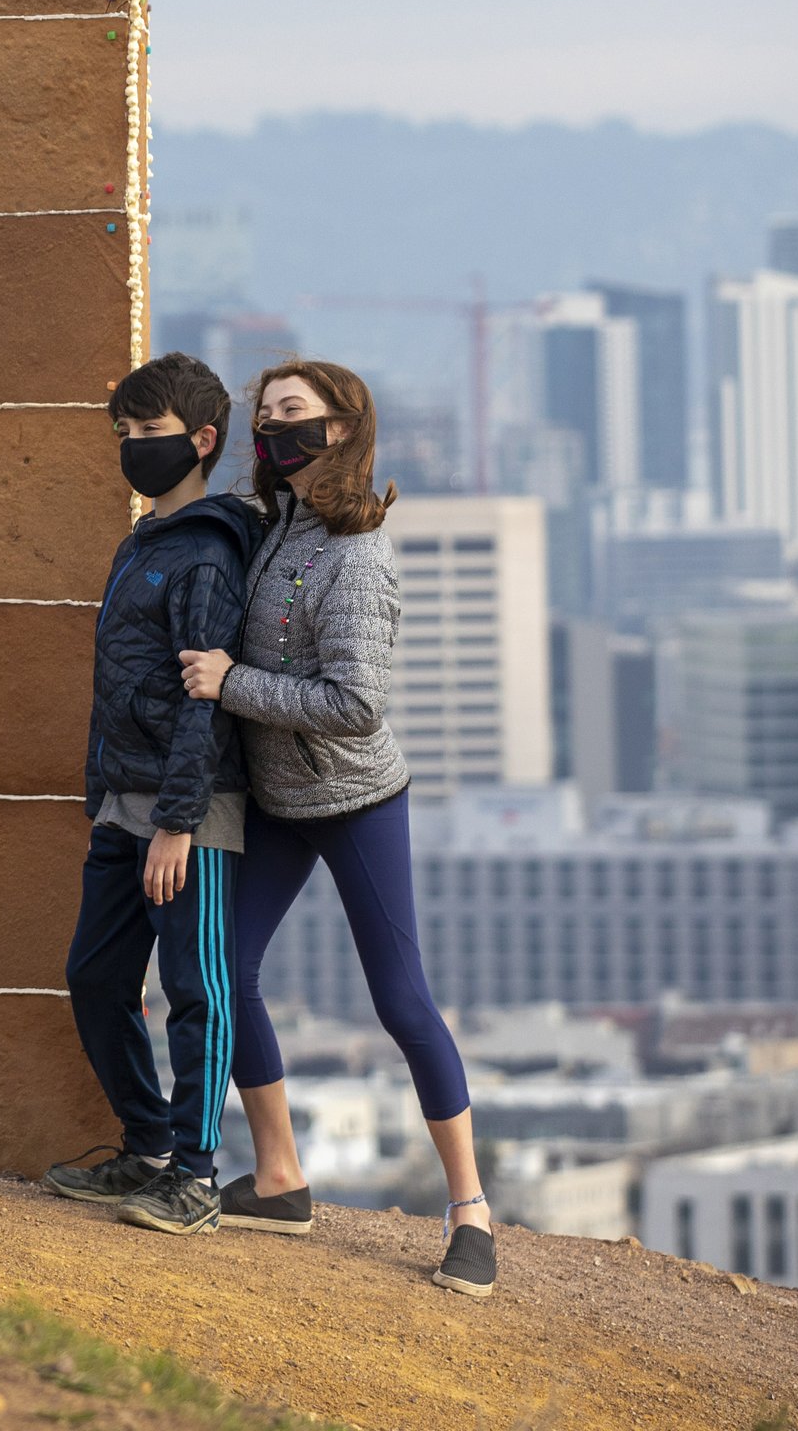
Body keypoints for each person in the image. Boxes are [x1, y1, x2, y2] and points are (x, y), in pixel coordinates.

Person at [178, 359, 496, 1296]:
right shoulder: (279, 526)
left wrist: (229, 682)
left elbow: (356, 703)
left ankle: (471, 1212)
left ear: (344, 427)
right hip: (277, 798)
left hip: (354, 799)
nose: (273, 432)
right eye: (265, 416)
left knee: (401, 1001)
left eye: (294, 415)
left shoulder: (360, 552)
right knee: (221, 971)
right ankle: (279, 1176)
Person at [44, 352, 260, 1236]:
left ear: (203, 441)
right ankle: (147, 1146)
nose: (132, 447)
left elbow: (202, 704)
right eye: (125, 433)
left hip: (188, 814)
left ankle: (198, 1177)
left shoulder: (207, 554)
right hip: (123, 803)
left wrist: (177, 824)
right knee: (95, 978)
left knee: (193, 987)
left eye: (150, 433)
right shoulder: (144, 544)